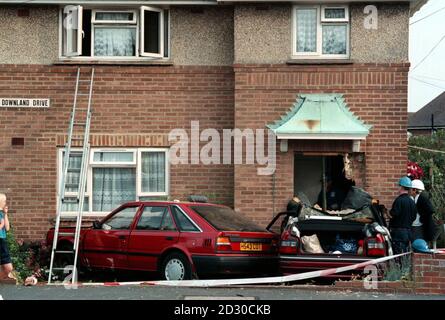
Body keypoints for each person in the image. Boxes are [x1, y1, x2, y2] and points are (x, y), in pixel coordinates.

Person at [389, 177, 417, 254]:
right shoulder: (412, 202)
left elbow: (393, 215)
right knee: (406, 254)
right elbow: (414, 217)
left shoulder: (399, 200)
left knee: (398, 255)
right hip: (408, 232)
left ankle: (399, 266)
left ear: (401, 187)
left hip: (398, 233)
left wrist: (386, 213)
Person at [0, 193, 14, 280]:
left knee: (8, 268)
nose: (5, 203)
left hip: (2, 241)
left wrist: (5, 214)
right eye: (4, 201)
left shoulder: (1, 214)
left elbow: (7, 228)